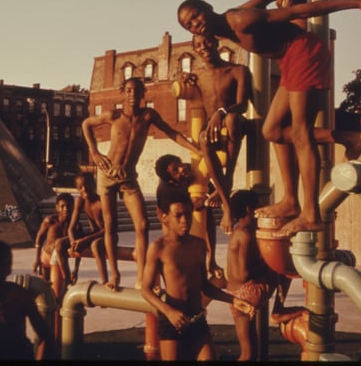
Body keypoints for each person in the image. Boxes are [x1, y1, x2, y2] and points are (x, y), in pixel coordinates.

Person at [177, 0, 361, 237]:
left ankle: (310, 214)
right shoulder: (228, 21)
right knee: (272, 131)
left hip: (303, 53)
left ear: (208, 7)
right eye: (188, 24)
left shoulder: (239, 19)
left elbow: (302, 10)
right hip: (290, 59)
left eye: (195, 15)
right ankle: (297, 193)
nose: (195, 24)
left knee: (300, 132)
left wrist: (359, 3)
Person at [82, 77, 201, 291]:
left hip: (128, 176)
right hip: (107, 174)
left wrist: (194, 149)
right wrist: (95, 152)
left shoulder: (148, 116)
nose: (132, 95)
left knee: (143, 225)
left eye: (136, 91)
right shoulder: (114, 115)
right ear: (122, 93)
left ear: (143, 93)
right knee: (110, 226)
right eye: (128, 90)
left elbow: (171, 132)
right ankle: (115, 275)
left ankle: (140, 277)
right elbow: (86, 124)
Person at [140, 189, 254, 360]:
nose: (185, 220)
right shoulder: (158, 248)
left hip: (197, 318)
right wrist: (169, 311)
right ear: (164, 217)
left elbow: (205, 286)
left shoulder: (199, 245)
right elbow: (145, 290)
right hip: (172, 320)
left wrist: (234, 300)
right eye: (178, 216)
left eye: (188, 214)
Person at [225, 189, 305, 360]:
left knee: (249, 353)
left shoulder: (238, 233)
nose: (263, 211)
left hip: (235, 297)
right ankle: (278, 310)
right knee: (285, 265)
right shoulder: (244, 235)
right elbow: (243, 273)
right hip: (247, 293)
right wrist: (269, 263)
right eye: (259, 207)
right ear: (248, 209)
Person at [190, 32, 253, 235]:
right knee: (202, 138)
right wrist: (182, 79)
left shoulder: (238, 71)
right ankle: (227, 203)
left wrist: (223, 111)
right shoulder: (198, 75)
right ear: (195, 50)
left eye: (207, 41)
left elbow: (242, 104)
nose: (204, 47)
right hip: (212, 129)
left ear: (216, 42)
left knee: (232, 119)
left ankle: (229, 183)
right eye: (199, 45)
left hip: (234, 120)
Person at [64, 172, 108, 285]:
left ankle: (105, 282)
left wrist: (87, 239)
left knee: (95, 245)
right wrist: (73, 241)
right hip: (92, 235)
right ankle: (68, 279)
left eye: (86, 185)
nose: (84, 189)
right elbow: (71, 228)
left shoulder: (101, 202)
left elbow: (109, 229)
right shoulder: (80, 201)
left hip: (107, 235)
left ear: (93, 185)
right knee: (59, 244)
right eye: (80, 187)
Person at [32, 193, 74, 284]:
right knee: (43, 287)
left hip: (58, 260)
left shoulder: (74, 226)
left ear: (73, 207)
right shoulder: (50, 220)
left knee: (56, 288)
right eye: (62, 206)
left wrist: (75, 270)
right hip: (45, 257)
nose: (65, 209)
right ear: (57, 207)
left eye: (68, 206)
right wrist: (37, 259)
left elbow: (78, 247)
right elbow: (39, 237)